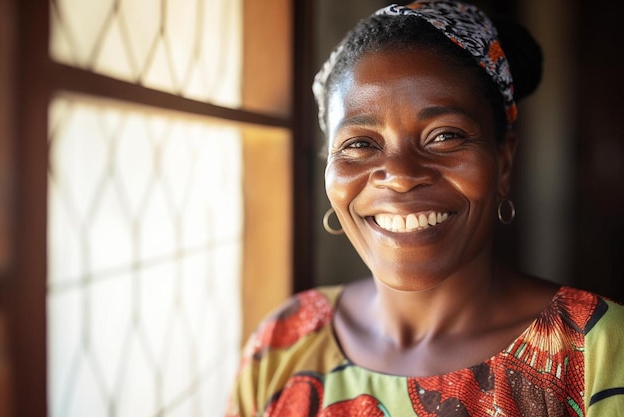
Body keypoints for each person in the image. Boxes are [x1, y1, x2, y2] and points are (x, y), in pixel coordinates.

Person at [225, 1, 624, 416]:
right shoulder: (283, 342)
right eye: (359, 144)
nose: (399, 175)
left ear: (503, 162)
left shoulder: (598, 353)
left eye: (444, 136)